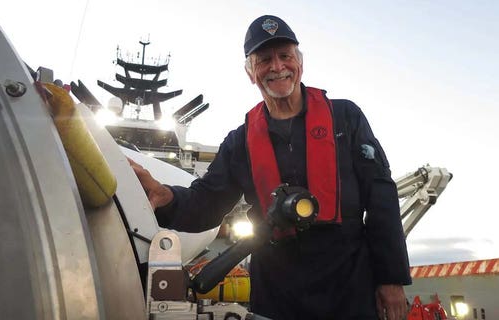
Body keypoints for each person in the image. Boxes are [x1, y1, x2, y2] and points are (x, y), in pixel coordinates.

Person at [130, 14, 411, 320]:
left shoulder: (346, 118)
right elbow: (206, 201)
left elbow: (381, 196)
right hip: (278, 291)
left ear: (299, 63)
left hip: (349, 285)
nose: (277, 67)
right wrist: (164, 196)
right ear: (251, 72)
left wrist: (390, 278)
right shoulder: (240, 141)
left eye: (285, 56)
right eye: (264, 59)